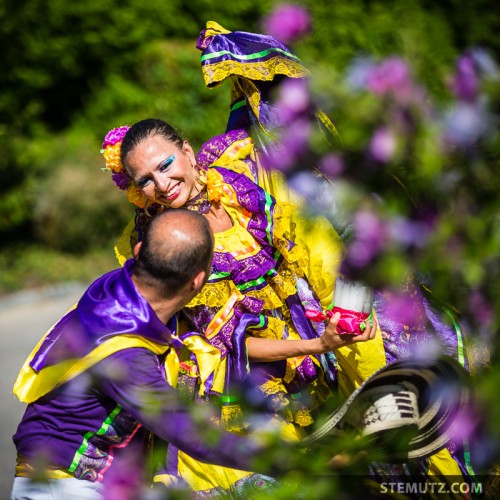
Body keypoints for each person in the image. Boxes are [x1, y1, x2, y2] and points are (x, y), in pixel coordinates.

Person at [11, 209, 300, 499]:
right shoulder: (125, 351)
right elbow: (192, 435)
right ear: (198, 282)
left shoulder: (116, 289)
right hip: (62, 485)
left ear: (137, 251)